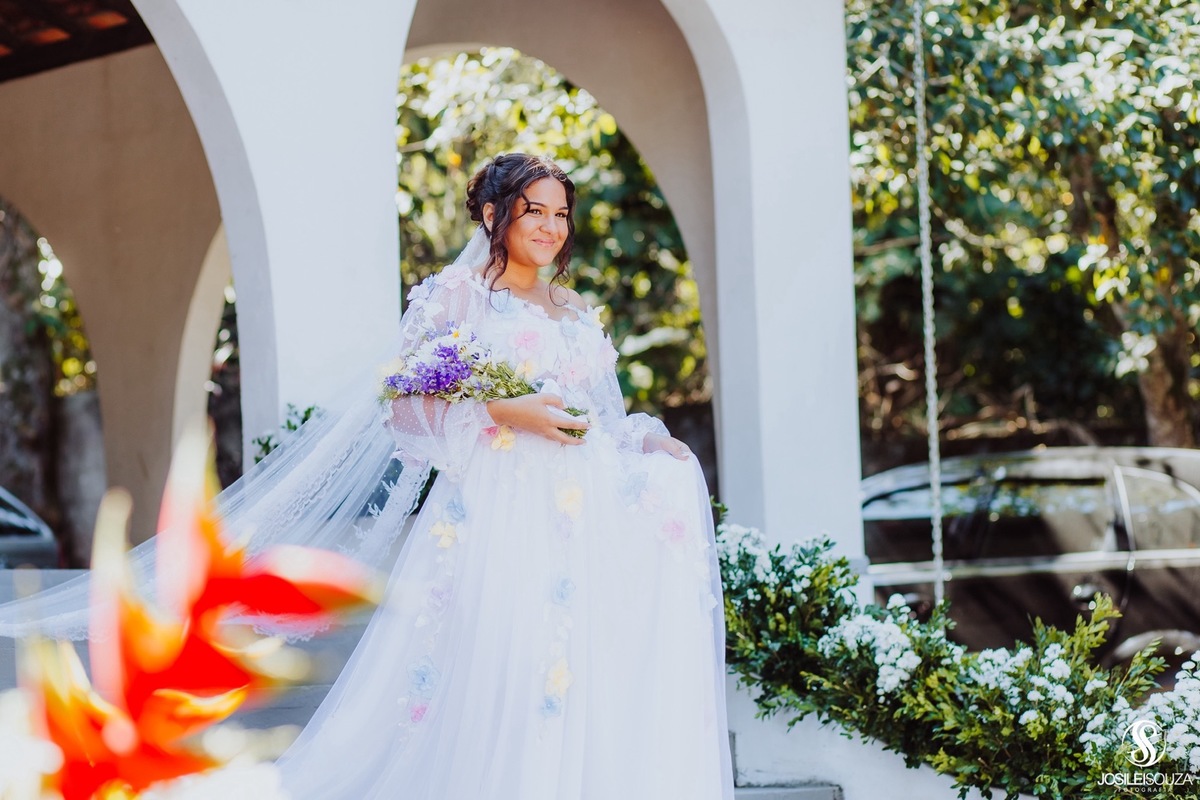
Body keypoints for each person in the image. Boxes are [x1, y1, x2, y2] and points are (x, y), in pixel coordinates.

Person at [273, 153, 734, 799]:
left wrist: (647, 439)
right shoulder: (458, 296)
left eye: (561, 214)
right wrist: (501, 409)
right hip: (504, 510)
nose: (551, 227)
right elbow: (403, 403)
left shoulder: (572, 307)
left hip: (586, 515)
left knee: (574, 668)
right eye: (534, 211)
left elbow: (602, 416)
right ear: (494, 214)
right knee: (512, 664)